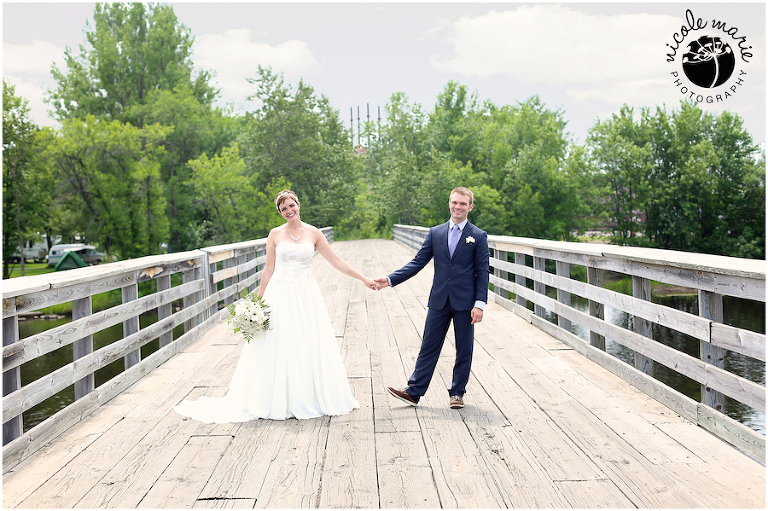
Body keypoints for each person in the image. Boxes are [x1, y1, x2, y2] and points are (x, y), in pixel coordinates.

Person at [175, 190, 379, 422]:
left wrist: (364, 279)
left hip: (305, 294)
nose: (289, 211)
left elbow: (337, 262)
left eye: (291, 205)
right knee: (277, 343)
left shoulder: (314, 233)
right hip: (279, 293)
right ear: (280, 212)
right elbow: (268, 269)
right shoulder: (274, 234)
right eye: (283, 209)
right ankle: (274, 400)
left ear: (298, 205)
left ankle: (306, 398)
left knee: (306, 341)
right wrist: (258, 303)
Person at [375, 187, 489, 409]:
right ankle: (414, 392)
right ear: (449, 203)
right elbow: (417, 262)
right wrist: (389, 280)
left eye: (463, 204)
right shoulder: (436, 233)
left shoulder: (478, 236)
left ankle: (457, 393)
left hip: (466, 303)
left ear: (470, 207)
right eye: (455, 202)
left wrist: (479, 304)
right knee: (428, 346)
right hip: (439, 300)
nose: (458, 207)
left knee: (464, 348)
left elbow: (483, 272)